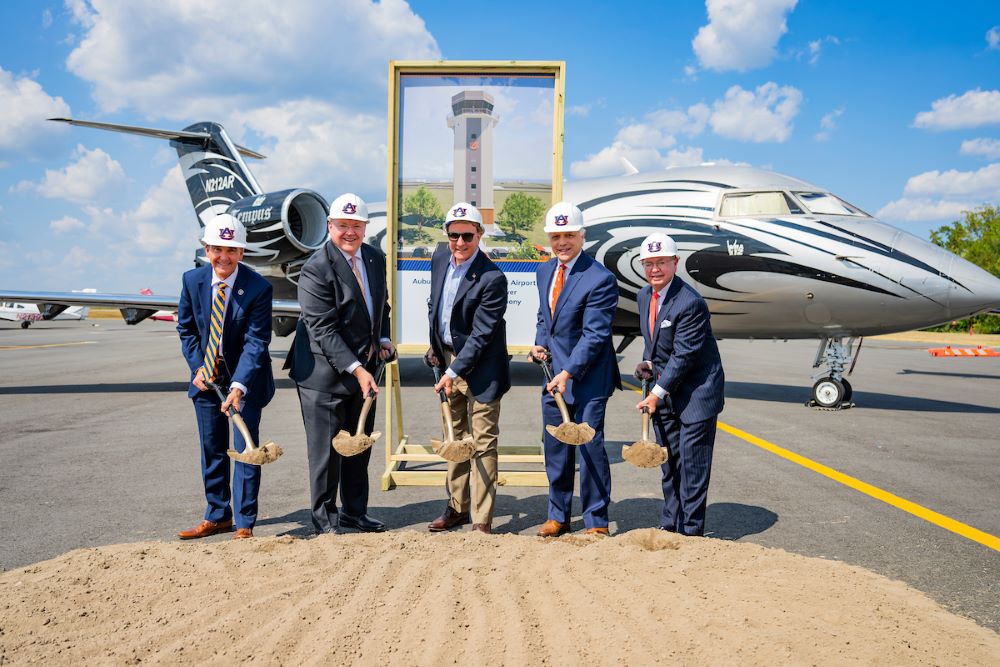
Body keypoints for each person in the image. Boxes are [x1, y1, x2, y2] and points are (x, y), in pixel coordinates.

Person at [285, 193, 394, 534]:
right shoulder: (316, 268)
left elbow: (381, 308)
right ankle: (323, 518)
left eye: (356, 226)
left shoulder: (375, 258)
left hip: (363, 370)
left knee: (358, 447)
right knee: (326, 454)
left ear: (365, 228)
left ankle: (354, 513)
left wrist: (384, 339)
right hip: (322, 375)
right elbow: (323, 329)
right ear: (330, 226)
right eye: (343, 225)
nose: (350, 232)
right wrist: (358, 369)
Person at [176, 213, 275, 540]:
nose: (224, 256)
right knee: (212, 448)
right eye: (217, 248)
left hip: (243, 382)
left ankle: (244, 523)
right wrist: (198, 367)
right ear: (206, 249)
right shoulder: (192, 281)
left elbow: (257, 341)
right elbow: (187, 329)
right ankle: (217, 514)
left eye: (232, 250)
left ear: (242, 253)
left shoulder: (259, 287)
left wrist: (238, 386)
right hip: (206, 380)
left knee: (246, 450)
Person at [530, 201, 620, 537]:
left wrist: (567, 372)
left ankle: (597, 520)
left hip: (587, 379)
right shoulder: (544, 272)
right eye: (556, 236)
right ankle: (558, 515)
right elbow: (546, 319)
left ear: (582, 236)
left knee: (589, 447)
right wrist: (540, 344)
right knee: (555, 448)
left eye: (569, 235)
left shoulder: (600, 279)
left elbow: (595, 336)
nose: (562, 243)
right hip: (553, 377)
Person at [425, 203, 511, 535]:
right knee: (454, 439)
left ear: (480, 235)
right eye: (453, 235)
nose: (460, 243)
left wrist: (453, 370)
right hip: (447, 361)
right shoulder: (440, 258)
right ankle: (456, 508)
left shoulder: (492, 278)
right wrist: (435, 345)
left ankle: (481, 519)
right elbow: (436, 306)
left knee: (483, 443)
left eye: (467, 236)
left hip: (482, 369)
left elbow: (482, 335)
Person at [634, 232, 725, 537]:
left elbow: (684, 355)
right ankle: (670, 523)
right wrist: (648, 363)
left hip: (697, 393)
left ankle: (691, 531)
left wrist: (656, 394)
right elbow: (658, 345)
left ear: (675, 262)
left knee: (692, 465)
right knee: (669, 463)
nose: (655, 269)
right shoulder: (644, 296)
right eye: (649, 263)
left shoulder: (690, 303)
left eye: (661, 262)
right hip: (667, 393)